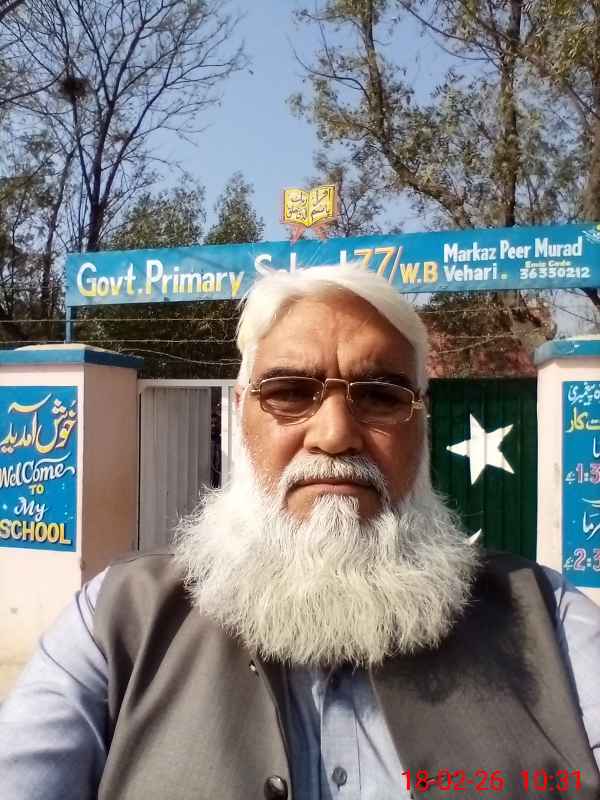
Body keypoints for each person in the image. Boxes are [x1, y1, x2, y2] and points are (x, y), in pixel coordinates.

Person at [1, 265, 599, 800]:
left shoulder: (549, 622)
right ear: (242, 413)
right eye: (289, 392)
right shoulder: (116, 621)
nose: (335, 435)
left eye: (380, 396)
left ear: (420, 423)